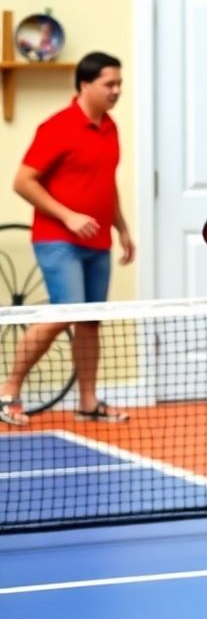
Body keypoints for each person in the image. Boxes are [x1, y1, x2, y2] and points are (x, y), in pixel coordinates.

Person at [0, 52, 134, 426]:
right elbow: (22, 182)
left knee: (90, 321)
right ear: (84, 85)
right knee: (66, 312)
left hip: (98, 244)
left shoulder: (111, 127)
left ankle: (88, 403)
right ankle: (7, 389)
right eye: (110, 84)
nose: (116, 91)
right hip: (57, 239)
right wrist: (68, 216)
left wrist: (121, 228)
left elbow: (106, 183)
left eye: (119, 84)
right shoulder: (57, 127)